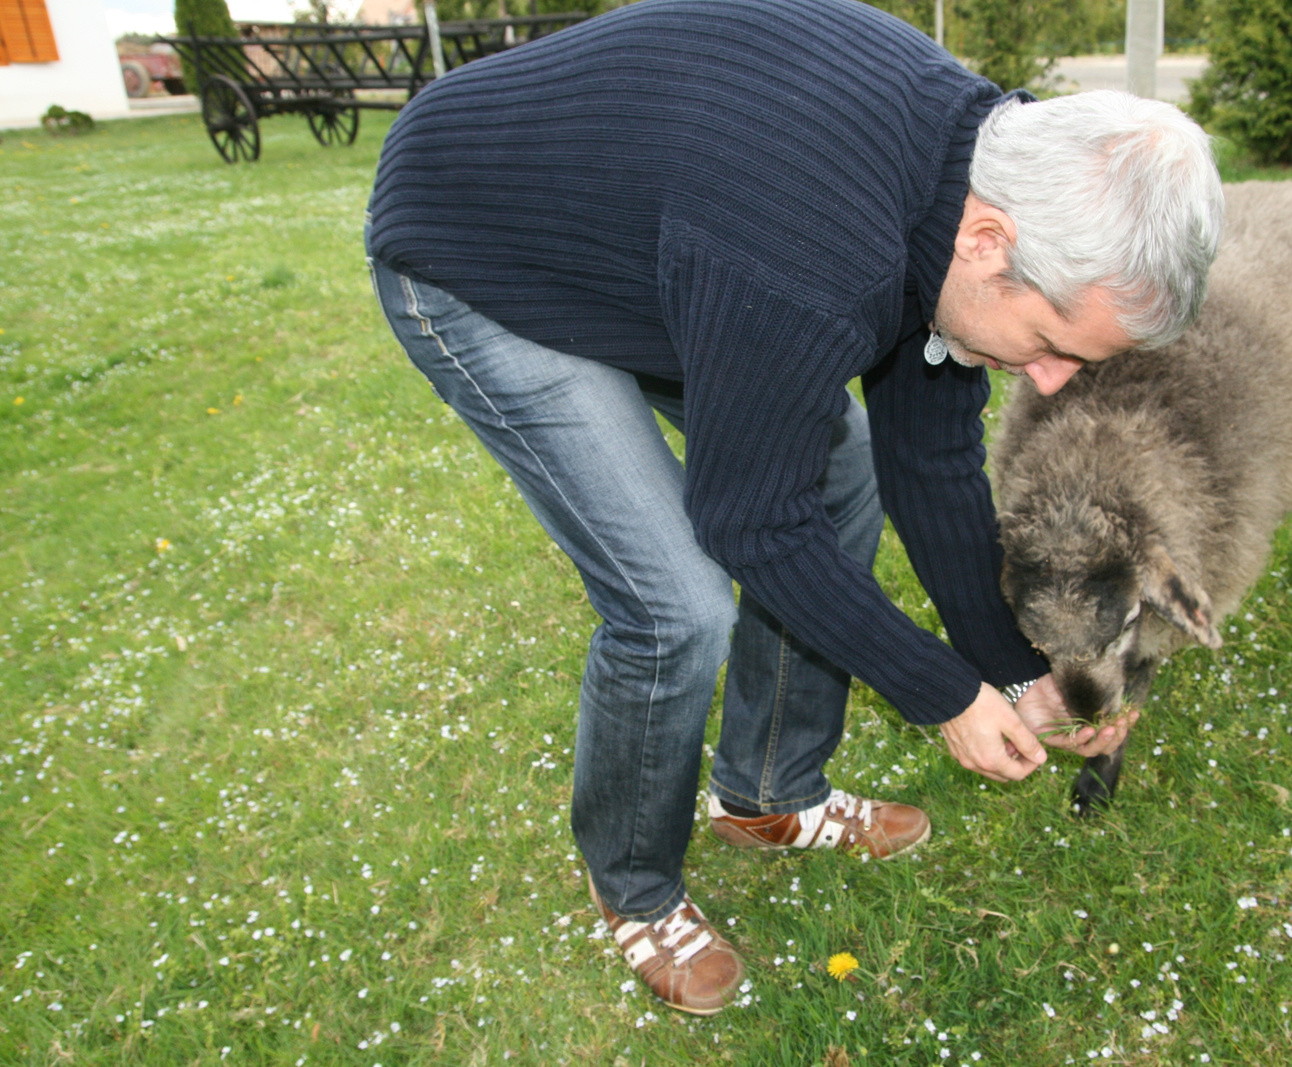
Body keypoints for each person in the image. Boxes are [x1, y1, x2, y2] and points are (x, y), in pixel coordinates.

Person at [365, 0, 1222, 1016]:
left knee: (844, 469)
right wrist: (944, 691)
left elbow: (930, 461)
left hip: (665, 247)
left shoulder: (971, 181)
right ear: (991, 243)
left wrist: (1011, 665)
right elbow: (752, 522)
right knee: (676, 602)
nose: (1044, 378)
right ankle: (635, 886)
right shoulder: (812, 255)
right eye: (1053, 340)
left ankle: (768, 790)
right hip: (477, 244)